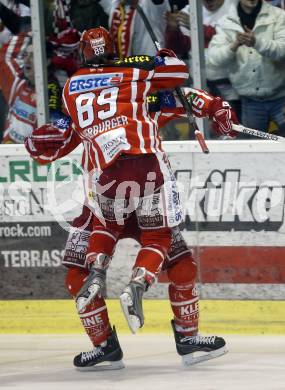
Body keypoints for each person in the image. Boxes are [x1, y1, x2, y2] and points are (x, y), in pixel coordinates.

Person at [25, 30, 237, 368]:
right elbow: (186, 94)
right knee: (175, 257)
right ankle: (182, 337)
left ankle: (116, 344)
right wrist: (219, 107)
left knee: (82, 270)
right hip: (147, 181)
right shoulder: (139, 79)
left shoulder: (75, 90)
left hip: (105, 190)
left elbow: (57, 142)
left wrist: (36, 146)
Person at [207, 0, 285, 133]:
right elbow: (214, 58)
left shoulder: (278, 15)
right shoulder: (226, 22)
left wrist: (257, 42)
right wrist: (234, 45)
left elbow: (282, 50)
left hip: (281, 98)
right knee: (253, 148)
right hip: (250, 101)